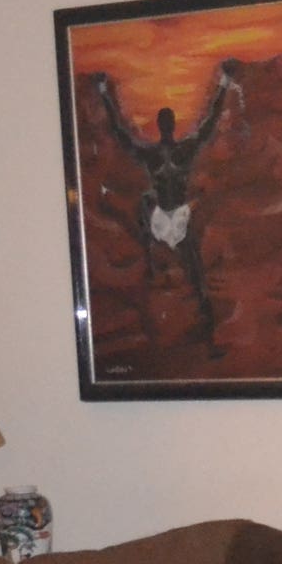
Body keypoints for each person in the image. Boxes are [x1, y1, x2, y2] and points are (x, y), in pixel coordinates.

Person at [89, 59, 244, 351]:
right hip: (160, 217)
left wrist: (223, 83)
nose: (167, 124)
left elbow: (210, 123)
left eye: (168, 121)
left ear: (170, 124)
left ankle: (210, 335)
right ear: (162, 125)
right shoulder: (152, 154)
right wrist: (102, 93)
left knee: (195, 272)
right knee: (145, 207)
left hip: (179, 218)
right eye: (164, 121)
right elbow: (118, 131)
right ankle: (149, 262)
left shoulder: (184, 150)